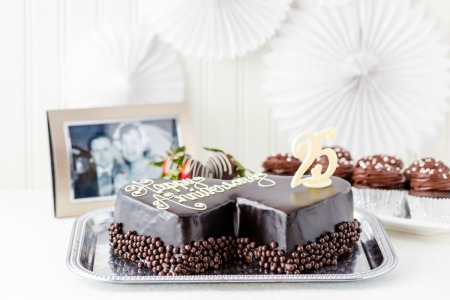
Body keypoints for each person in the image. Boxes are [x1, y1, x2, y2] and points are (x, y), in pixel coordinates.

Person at [113, 122, 162, 190]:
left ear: (143, 144)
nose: (129, 148)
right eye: (125, 143)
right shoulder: (121, 177)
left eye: (133, 142)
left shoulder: (155, 169)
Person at [74, 132, 123, 199]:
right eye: (97, 151)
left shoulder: (125, 172)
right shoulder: (82, 181)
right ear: (91, 154)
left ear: (112, 150)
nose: (102, 155)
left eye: (105, 149)